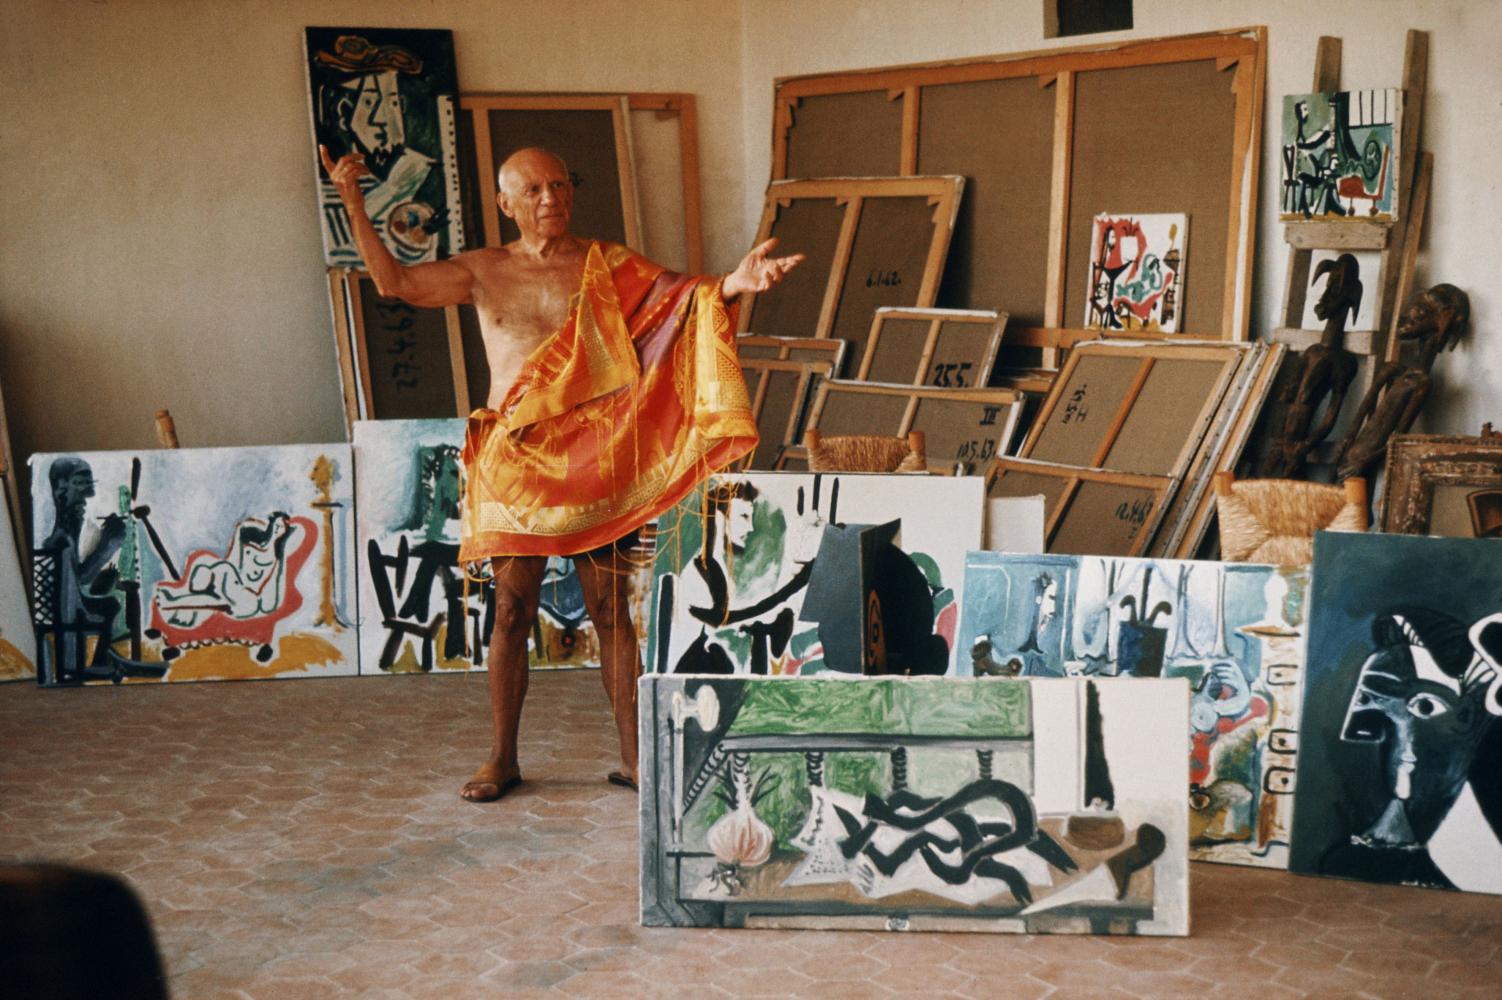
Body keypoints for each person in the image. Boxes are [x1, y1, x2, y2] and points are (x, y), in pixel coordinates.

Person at [319, 143, 803, 801]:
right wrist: (352, 199)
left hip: (591, 462)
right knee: (511, 610)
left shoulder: (607, 264)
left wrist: (733, 285)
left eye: (559, 185)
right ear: (505, 203)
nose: (551, 199)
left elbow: (681, 303)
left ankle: (636, 759)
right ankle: (501, 758)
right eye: (535, 190)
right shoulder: (483, 270)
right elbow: (395, 285)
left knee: (609, 609)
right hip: (512, 463)